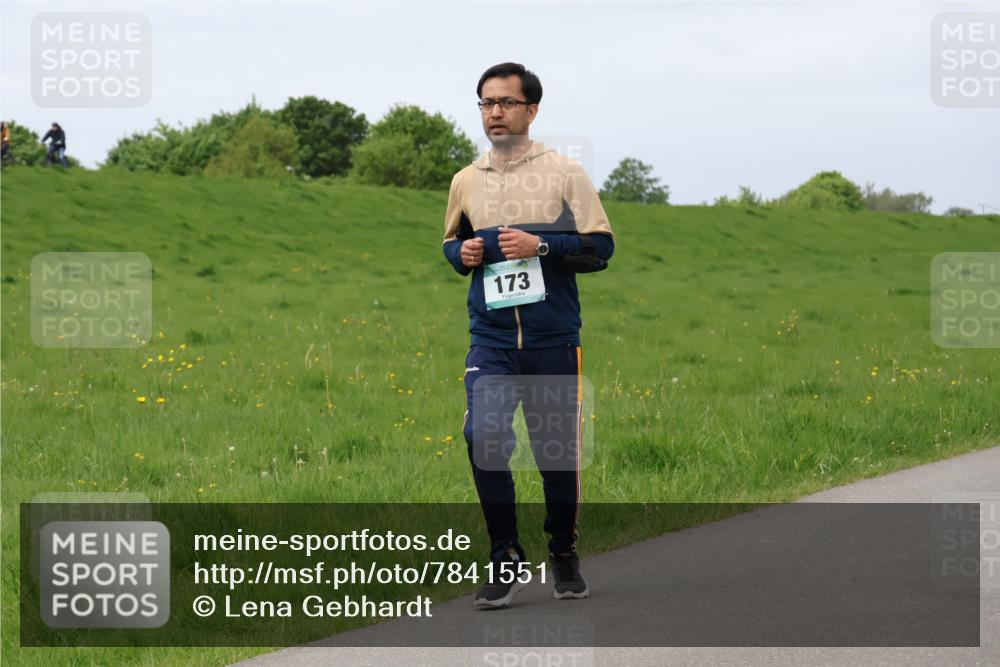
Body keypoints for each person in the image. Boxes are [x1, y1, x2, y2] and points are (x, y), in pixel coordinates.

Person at [442, 62, 615, 609]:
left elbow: (601, 249)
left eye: (505, 103)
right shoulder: (466, 179)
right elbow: (451, 244)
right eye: (485, 103)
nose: (494, 112)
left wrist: (541, 247)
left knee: (555, 456)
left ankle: (562, 550)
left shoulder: (564, 173)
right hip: (490, 340)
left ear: (531, 110)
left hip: (552, 340)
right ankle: (505, 554)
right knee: (484, 438)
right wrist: (461, 254)